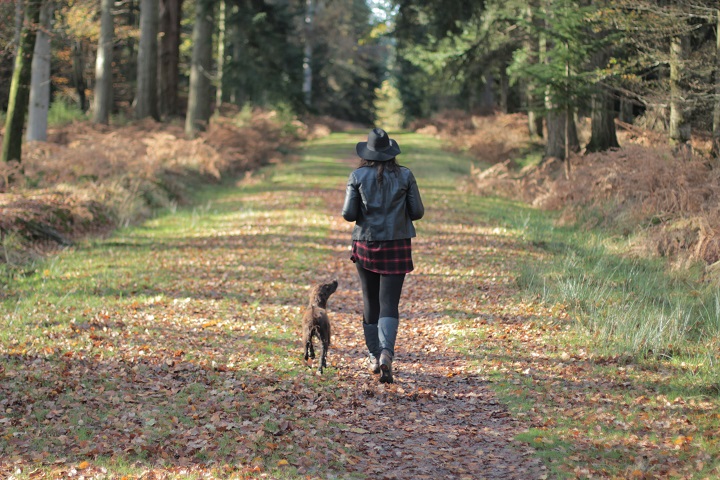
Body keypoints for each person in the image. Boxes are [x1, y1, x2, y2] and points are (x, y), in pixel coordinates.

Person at [341, 128, 424, 384]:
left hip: (366, 242)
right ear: (390, 152)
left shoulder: (357, 176)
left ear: (368, 152)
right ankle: (387, 352)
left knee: (370, 300)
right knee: (389, 302)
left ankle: (375, 356)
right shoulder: (406, 175)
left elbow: (348, 213)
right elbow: (417, 211)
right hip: (397, 243)